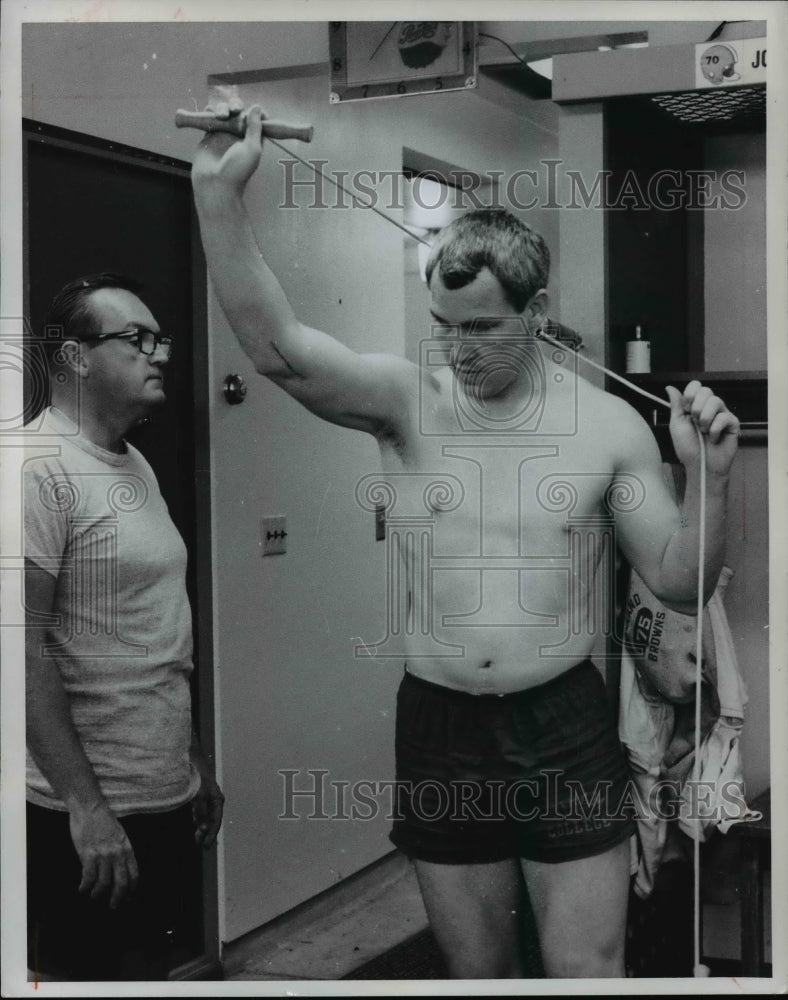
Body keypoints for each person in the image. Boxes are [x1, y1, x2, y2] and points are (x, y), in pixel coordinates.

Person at [190, 102, 739, 979]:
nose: (456, 350)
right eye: (443, 328)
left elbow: (677, 581)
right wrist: (217, 195)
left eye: (480, 328)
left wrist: (710, 479)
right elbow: (277, 351)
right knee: (477, 976)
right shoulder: (409, 401)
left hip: (562, 725)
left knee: (587, 973)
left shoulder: (607, 428)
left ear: (538, 310)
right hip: (440, 722)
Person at [24, 273, 224, 981]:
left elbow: (158, 627)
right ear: (75, 358)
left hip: (159, 791)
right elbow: (20, 653)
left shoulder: (133, 462)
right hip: (88, 813)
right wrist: (87, 811)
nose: (158, 353)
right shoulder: (34, 468)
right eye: (136, 339)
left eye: (158, 338)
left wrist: (193, 761)